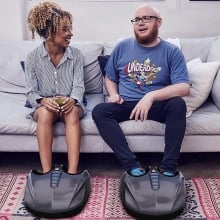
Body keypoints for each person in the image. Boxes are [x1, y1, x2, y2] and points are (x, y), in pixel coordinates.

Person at [92, 4, 190, 177]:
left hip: (157, 105)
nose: (140, 23)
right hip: (127, 104)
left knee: (178, 105)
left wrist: (150, 96)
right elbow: (109, 76)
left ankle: (168, 168)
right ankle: (132, 166)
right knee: (100, 111)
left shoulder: (171, 51)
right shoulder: (122, 46)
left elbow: (183, 87)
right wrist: (113, 94)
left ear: (159, 22)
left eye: (146, 18)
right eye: (137, 19)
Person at [25, 2, 85, 174]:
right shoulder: (32, 58)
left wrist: (72, 100)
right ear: (49, 32)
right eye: (65, 29)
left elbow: (79, 86)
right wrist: (44, 101)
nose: (70, 33)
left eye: (70, 28)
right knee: (44, 112)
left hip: (70, 103)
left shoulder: (77, 55)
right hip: (45, 105)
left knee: (72, 111)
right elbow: (31, 91)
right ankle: (46, 172)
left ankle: (73, 172)